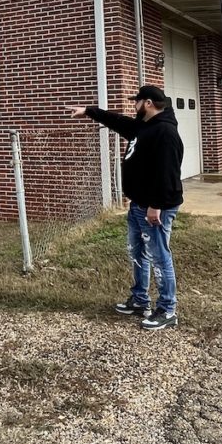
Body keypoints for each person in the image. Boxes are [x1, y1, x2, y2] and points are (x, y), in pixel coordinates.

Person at [67, 85, 184, 330]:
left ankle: (167, 309)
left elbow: (168, 175)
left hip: (155, 208)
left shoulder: (165, 132)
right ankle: (140, 301)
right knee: (138, 253)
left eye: (137, 101)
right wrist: (89, 111)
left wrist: (155, 206)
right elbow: (117, 121)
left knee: (160, 257)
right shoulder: (143, 127)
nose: (134, 106)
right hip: (138, 206)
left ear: (148, 103)